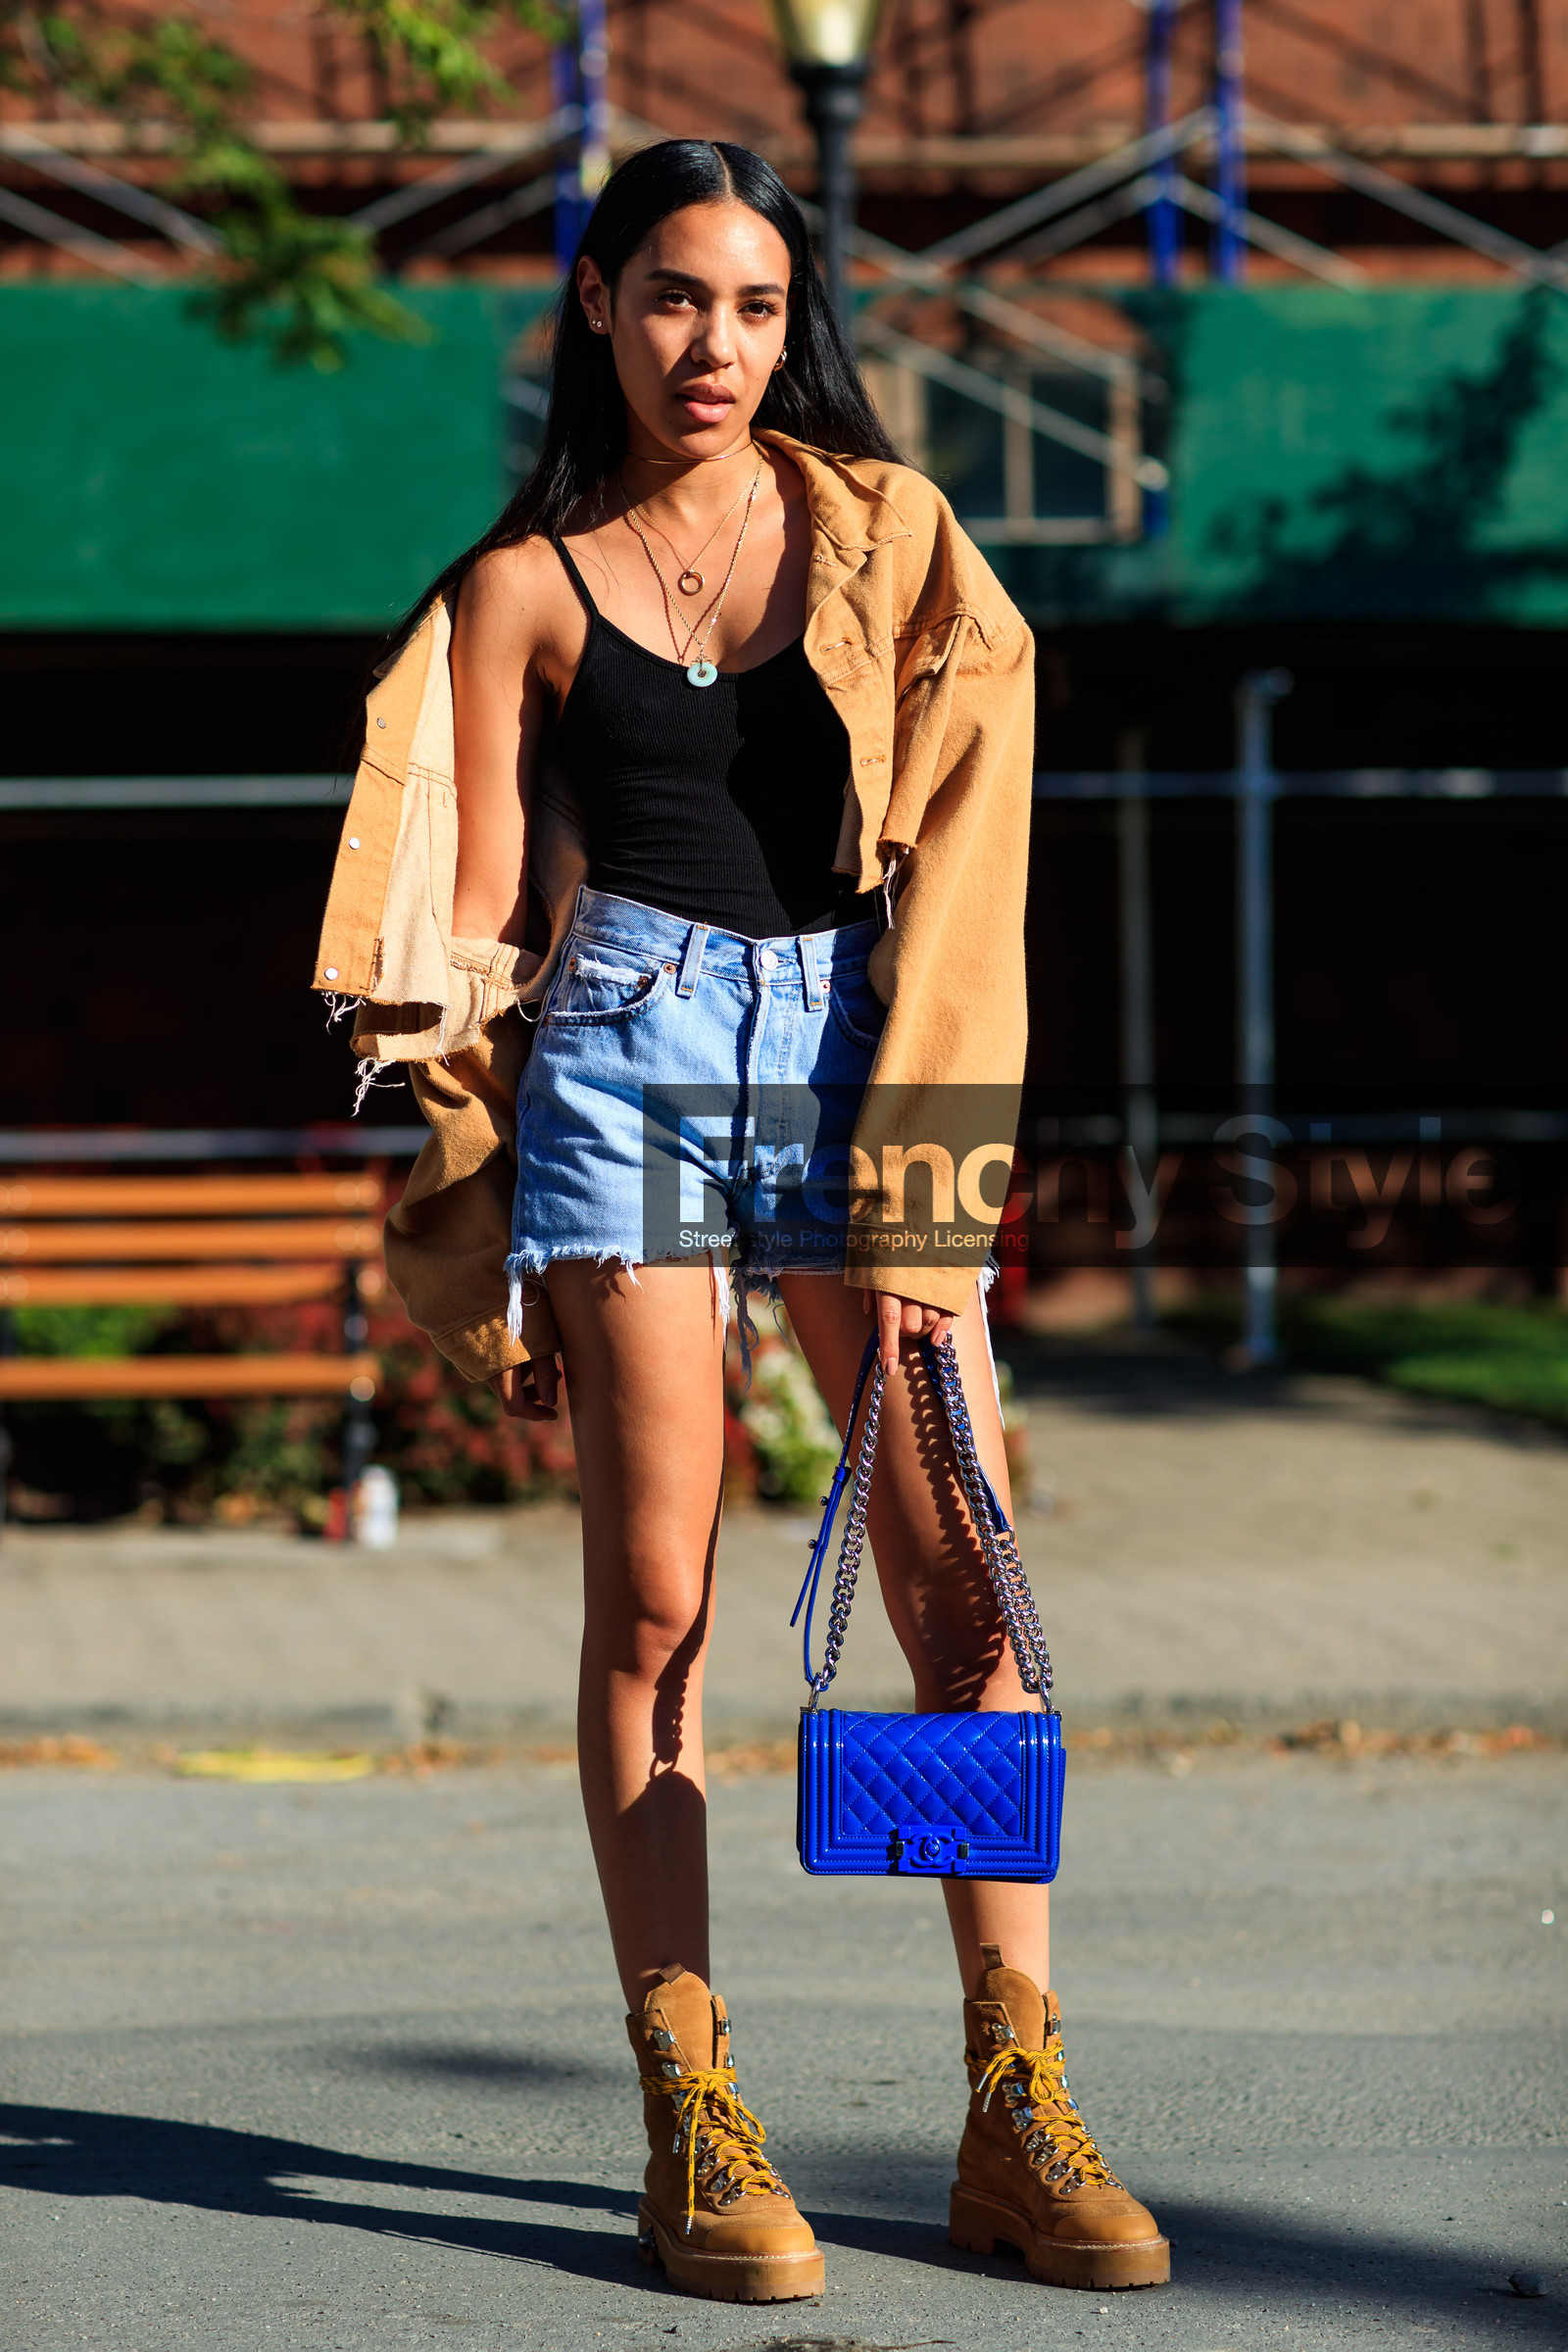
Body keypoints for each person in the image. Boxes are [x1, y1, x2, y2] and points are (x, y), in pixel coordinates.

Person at [314, 137, 1167, 2304]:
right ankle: (692, 2114)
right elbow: (482, 928)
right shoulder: (516, 594)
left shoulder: (891, 537)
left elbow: (966, 860)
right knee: (658, 1611)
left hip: (869, 1047)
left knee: (960, 1576)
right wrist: (462, 1156)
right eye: (677, 297)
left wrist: (934, 1160)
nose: (719, 345)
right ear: (594, 305)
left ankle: (1013, 2100)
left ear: (801, 327)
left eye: (761, 306)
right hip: (631, 1057)